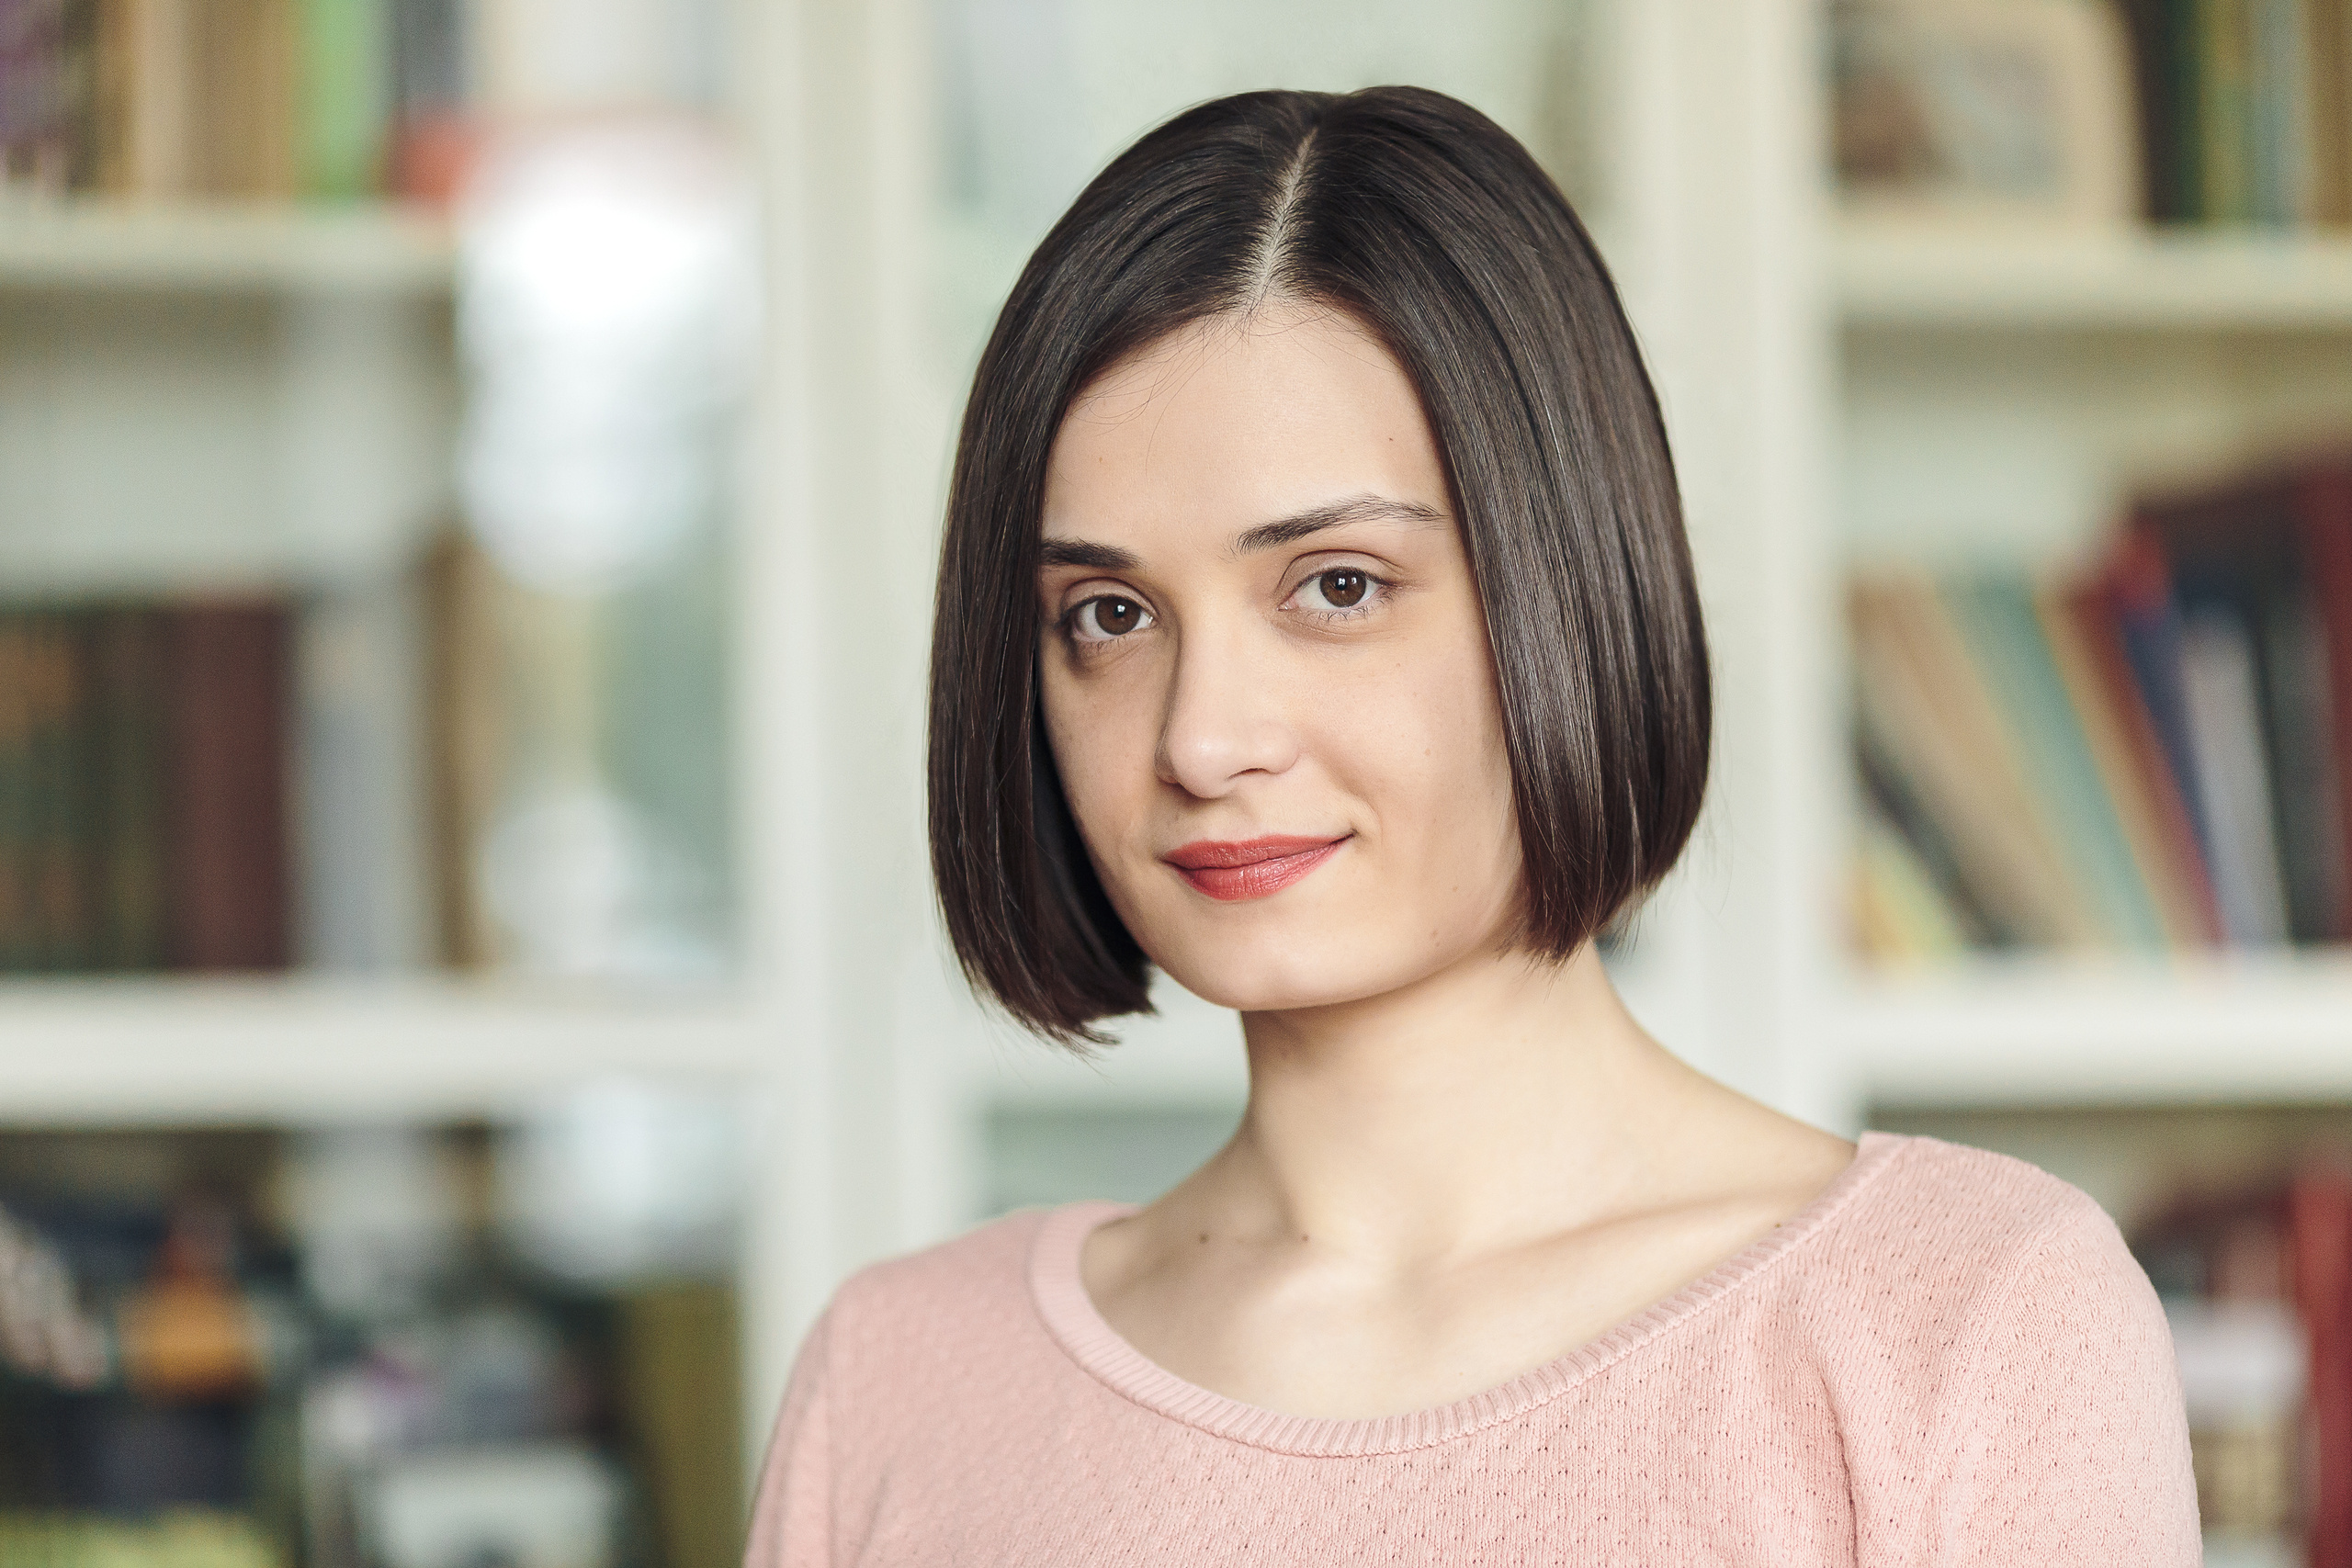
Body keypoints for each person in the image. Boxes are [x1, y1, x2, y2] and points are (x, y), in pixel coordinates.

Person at [747, 85, 2197, 1564]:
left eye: (1337, 586)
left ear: (1562, 593)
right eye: (1108, 616)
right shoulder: (902, 1380)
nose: (1200, 738)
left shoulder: (1965, 1319)